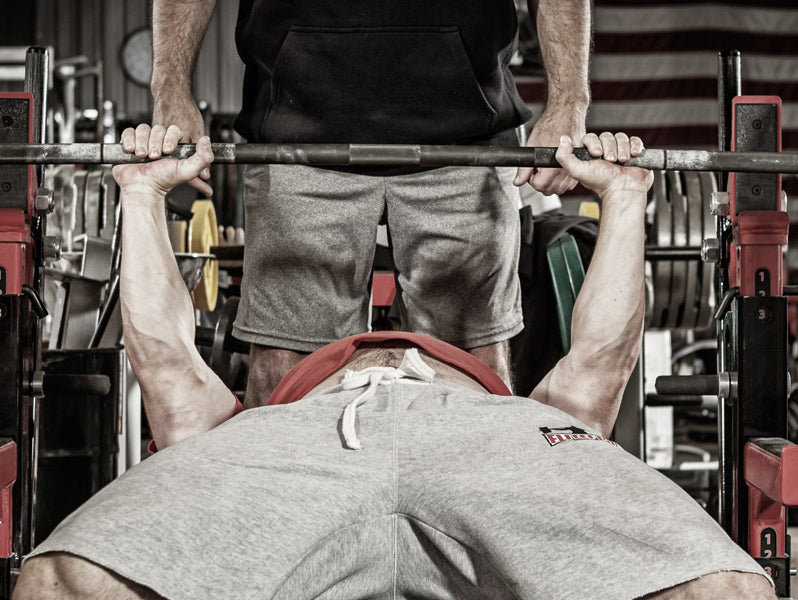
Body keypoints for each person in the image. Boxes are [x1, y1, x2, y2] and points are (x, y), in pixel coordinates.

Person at [12, 129, 774, 600]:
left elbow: (603, 359)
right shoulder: (265, 423)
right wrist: (139, 194)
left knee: (728, 589)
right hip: (302, 451)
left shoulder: (512, 415)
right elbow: (166, 368)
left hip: (478, 447)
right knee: (59, 581)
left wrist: (628, 194)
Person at [149, 0, 592, 405]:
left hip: (465, 138)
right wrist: (170, 89)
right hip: (297, 134)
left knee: (475, 372)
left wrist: (570, 100)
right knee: (283, 379)